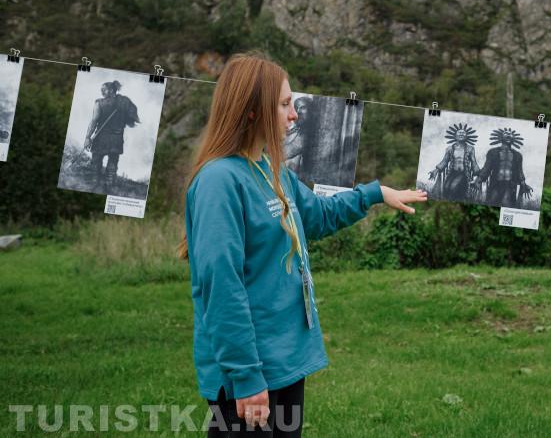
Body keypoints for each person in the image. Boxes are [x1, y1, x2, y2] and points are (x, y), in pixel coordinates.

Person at [178, 52, 426, 437]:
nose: (293, 114)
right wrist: (246, 377)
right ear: (252, 111)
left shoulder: (271, 170)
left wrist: (374, 193)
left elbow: (317, 216)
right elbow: (222, 287)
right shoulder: (219, 182)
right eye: (283, 104)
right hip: (251, 370)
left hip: (284, 359)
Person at [83, 80, 140, 190]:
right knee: (113, 162)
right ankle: (109, 184)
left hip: (101, 138)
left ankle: (95, 183)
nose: (101, 91)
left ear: (111, 90)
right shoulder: (125, 102)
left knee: (96, 161)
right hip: (117, 139)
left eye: (103, 89)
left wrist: (87, 137)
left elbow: (94, 121)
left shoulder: (99, 103)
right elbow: (133, 116)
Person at [471, 128, 532, 207]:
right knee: (491, 202)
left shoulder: (517, 155)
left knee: (506, 204)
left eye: (511, 134)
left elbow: (519, 171)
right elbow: (487, 168)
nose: (509, 135)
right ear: (501, 137)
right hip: (495, 183)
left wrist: (523, 184)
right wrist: (478, 180)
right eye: (506, 133)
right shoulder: (493, 152)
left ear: (513, 138)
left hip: (510, 185)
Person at [428, 123, 479, 202]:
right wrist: (435, 170)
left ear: (466, 136)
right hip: (452, 172)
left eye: (463, 133)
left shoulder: (470, 148)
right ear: (455, 136)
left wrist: (477, 176)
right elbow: (445, 161)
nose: (461, 134)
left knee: (453, 187)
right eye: (459, 132)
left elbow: (474, 162)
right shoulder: (449, 148)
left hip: (463, 173)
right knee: (446, 188)